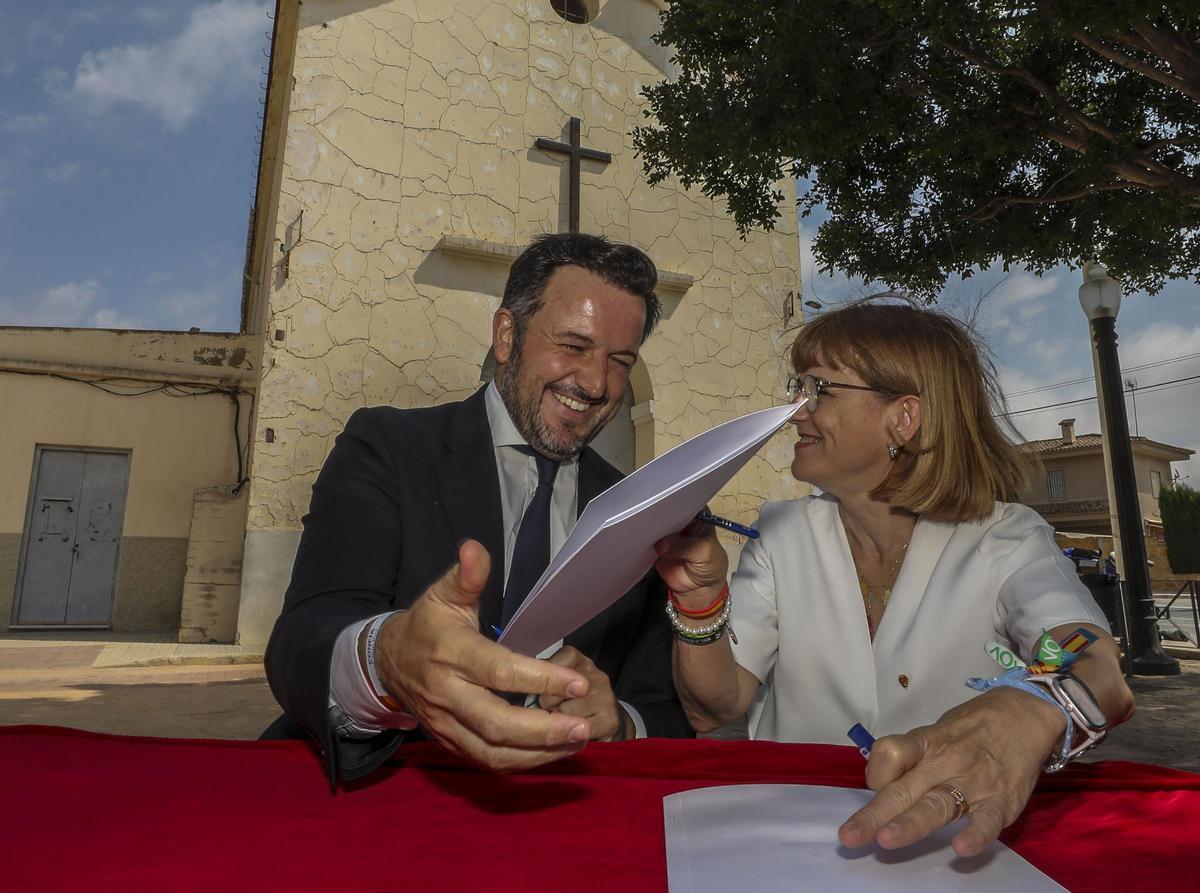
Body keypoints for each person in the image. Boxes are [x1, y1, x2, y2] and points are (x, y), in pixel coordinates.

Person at [657, 300, 1135, 858]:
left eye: (819, 390)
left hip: (954, 853)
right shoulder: (780, 534)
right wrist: (699, 605)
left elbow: (1090, 660)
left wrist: (1034, 708)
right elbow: (713, 706)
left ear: (903, 418)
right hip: (794, 846)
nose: (795, 411)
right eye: (799, 387)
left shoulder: (1005, 538)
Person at [264, 233, 694, 787]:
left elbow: (662, 707)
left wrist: (621, 727)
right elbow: (302, 641)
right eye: (573, 346)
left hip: (561, 818)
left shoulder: (640, 511)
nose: (595, 383)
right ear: (506, 335)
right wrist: (386, 662)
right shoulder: (388, 447)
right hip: (383, 790)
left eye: (620, 360)